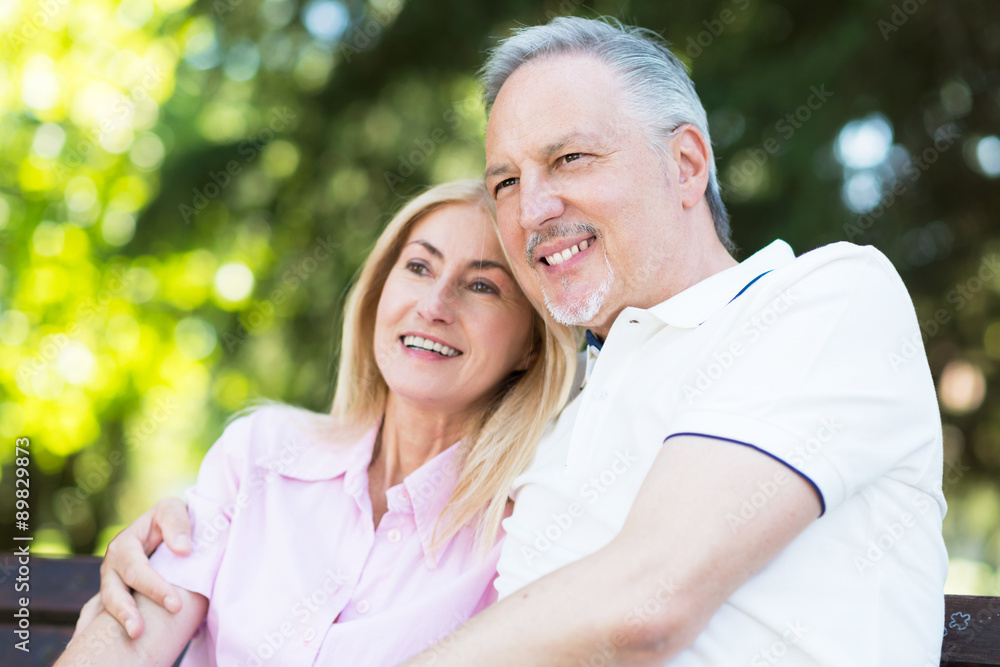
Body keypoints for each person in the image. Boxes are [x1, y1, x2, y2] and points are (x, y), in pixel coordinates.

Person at [87, 16, 949, 666]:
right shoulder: (566, 435)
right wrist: (182, 538)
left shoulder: (820, 299)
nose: (532, 209)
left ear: (687, 164)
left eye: (570, 159)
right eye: (507, 178)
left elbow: (648, 598)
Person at [58, 179, 578, 666]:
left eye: (483, 286)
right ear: (379, 292)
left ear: (532, 345)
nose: (434, 305)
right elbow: (132, 633)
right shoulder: (260, 453)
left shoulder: (524, 528)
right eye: (419, 268)